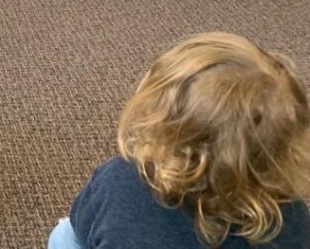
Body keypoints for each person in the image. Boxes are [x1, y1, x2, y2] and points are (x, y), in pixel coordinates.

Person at [48, 32, 310, 248]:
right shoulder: (290, 215)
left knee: (64, 235)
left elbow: (81, 220)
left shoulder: (120, 178)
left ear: (162, 126)